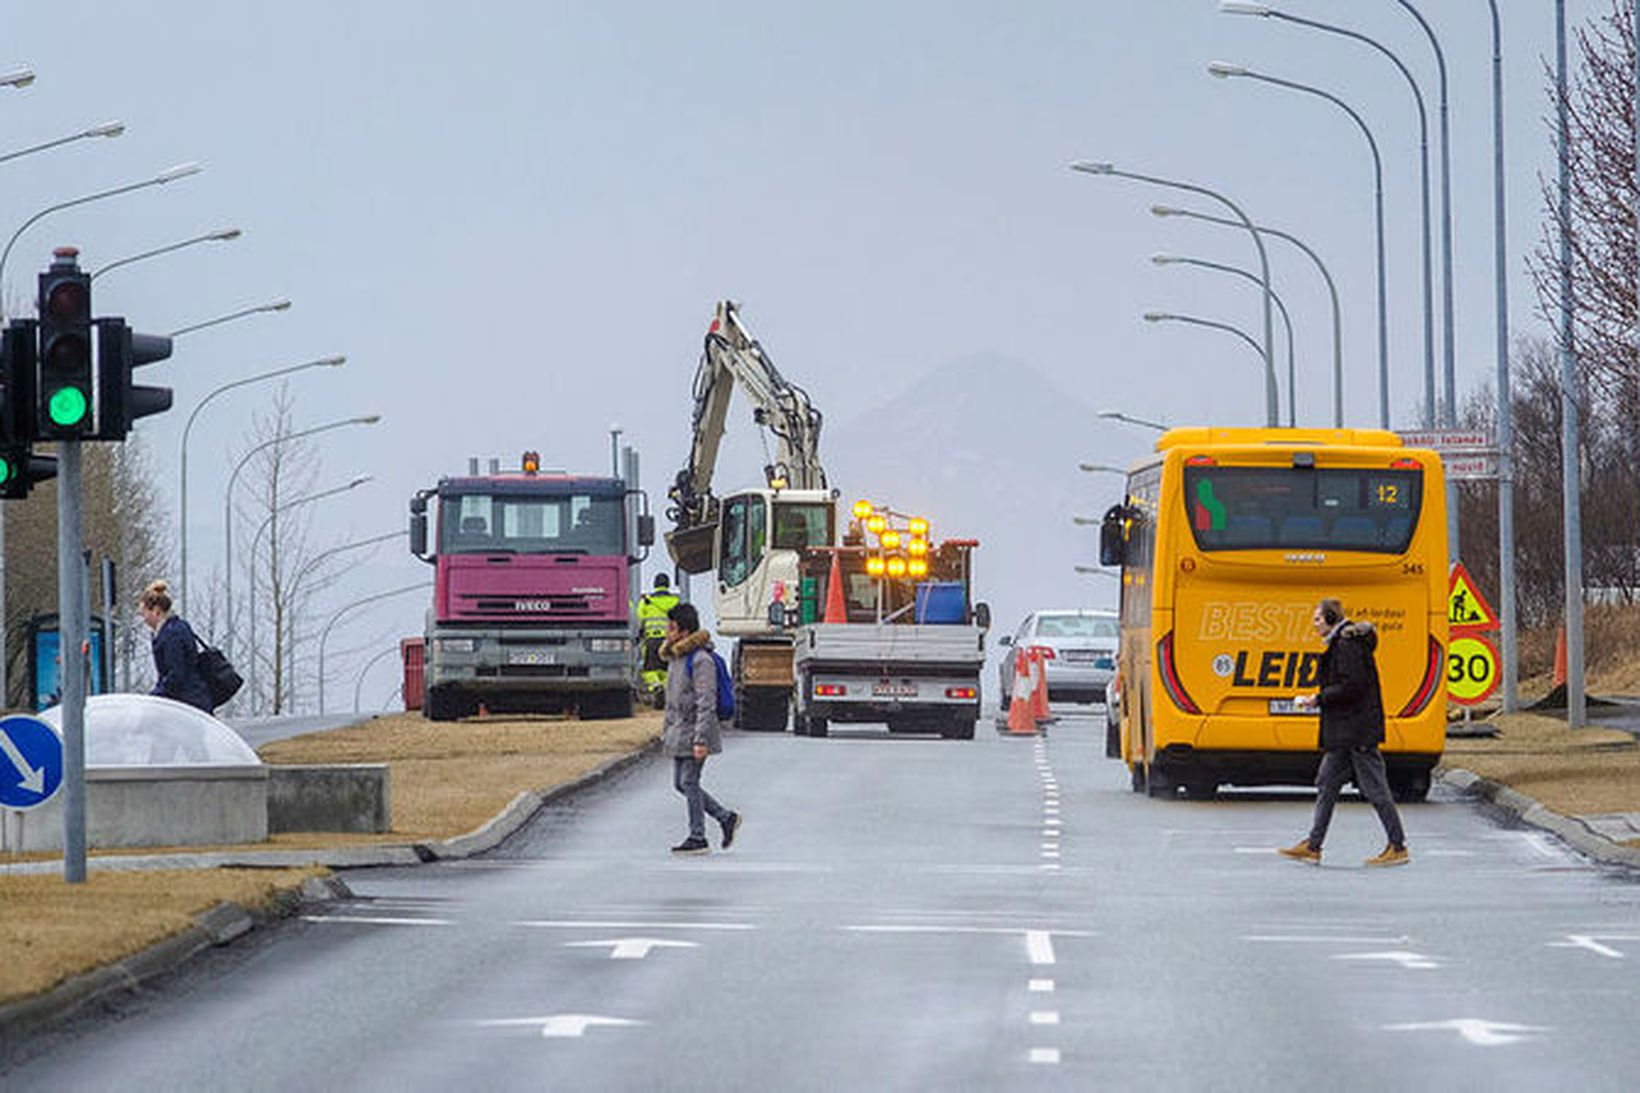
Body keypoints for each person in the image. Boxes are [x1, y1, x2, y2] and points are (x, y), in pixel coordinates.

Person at [1279, 598, 1408, 867]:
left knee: (1376, 789)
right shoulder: (1343, 644)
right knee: (1326, 783)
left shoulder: (1347, 647)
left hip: (1357, 731)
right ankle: (1313, 846)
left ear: (1329, 619)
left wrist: (1318, 698)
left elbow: (1353, 686)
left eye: (1316, 619)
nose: (1313, 625)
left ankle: (1397, 846)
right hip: (1344, 733)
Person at [660, 601, 740, 855]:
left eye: (671, 628)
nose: (666, 632)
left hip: (696, 731)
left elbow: (706, 701)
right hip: (679, 731)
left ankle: (698, 836)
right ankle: (725, 817)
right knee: (680, 783)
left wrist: (700, 739)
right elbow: (672, 701)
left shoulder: (700, 660)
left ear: (684, 632)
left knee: (689, 781)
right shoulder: (676, 658)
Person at [138, 579, 215, 713]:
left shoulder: (171, 635)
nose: (143, 619)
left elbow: (176, 674)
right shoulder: (178, 627)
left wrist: (154, 697)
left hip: (188, 703)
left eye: (144, 613)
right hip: (194, 699)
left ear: (156, 611)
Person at [635, 573, 681, 708]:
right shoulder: (676, 601)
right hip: (670, 641)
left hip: (651, 640)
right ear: (668, 585)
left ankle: (656, 687)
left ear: (655, 585)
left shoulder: (646, 601)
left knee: (649, 670)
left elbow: (639, 621)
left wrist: (639, 635)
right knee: (668, 668)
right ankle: (666, 689)